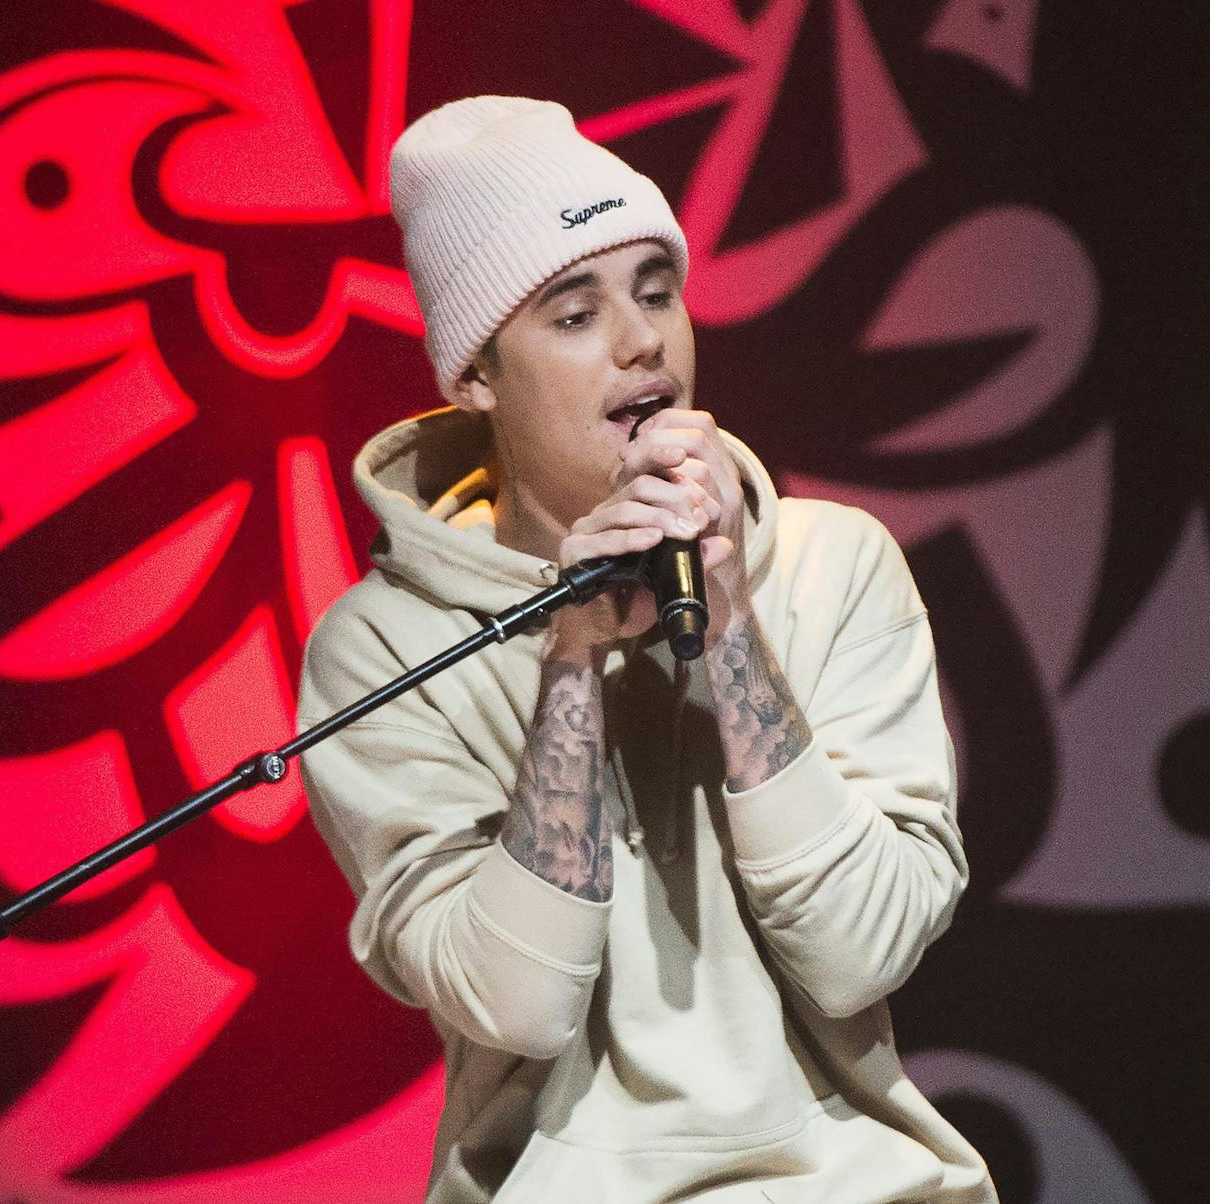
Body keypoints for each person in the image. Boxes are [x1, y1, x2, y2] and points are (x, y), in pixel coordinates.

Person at [297, 96, 995, 1203]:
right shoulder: (384, 645)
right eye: (573, 316)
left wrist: (726, 629)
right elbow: (515, 1004)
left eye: (655, 293)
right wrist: (569, 654)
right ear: (473, 375)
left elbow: (864, 950)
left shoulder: (829, 564)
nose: (640, 341)